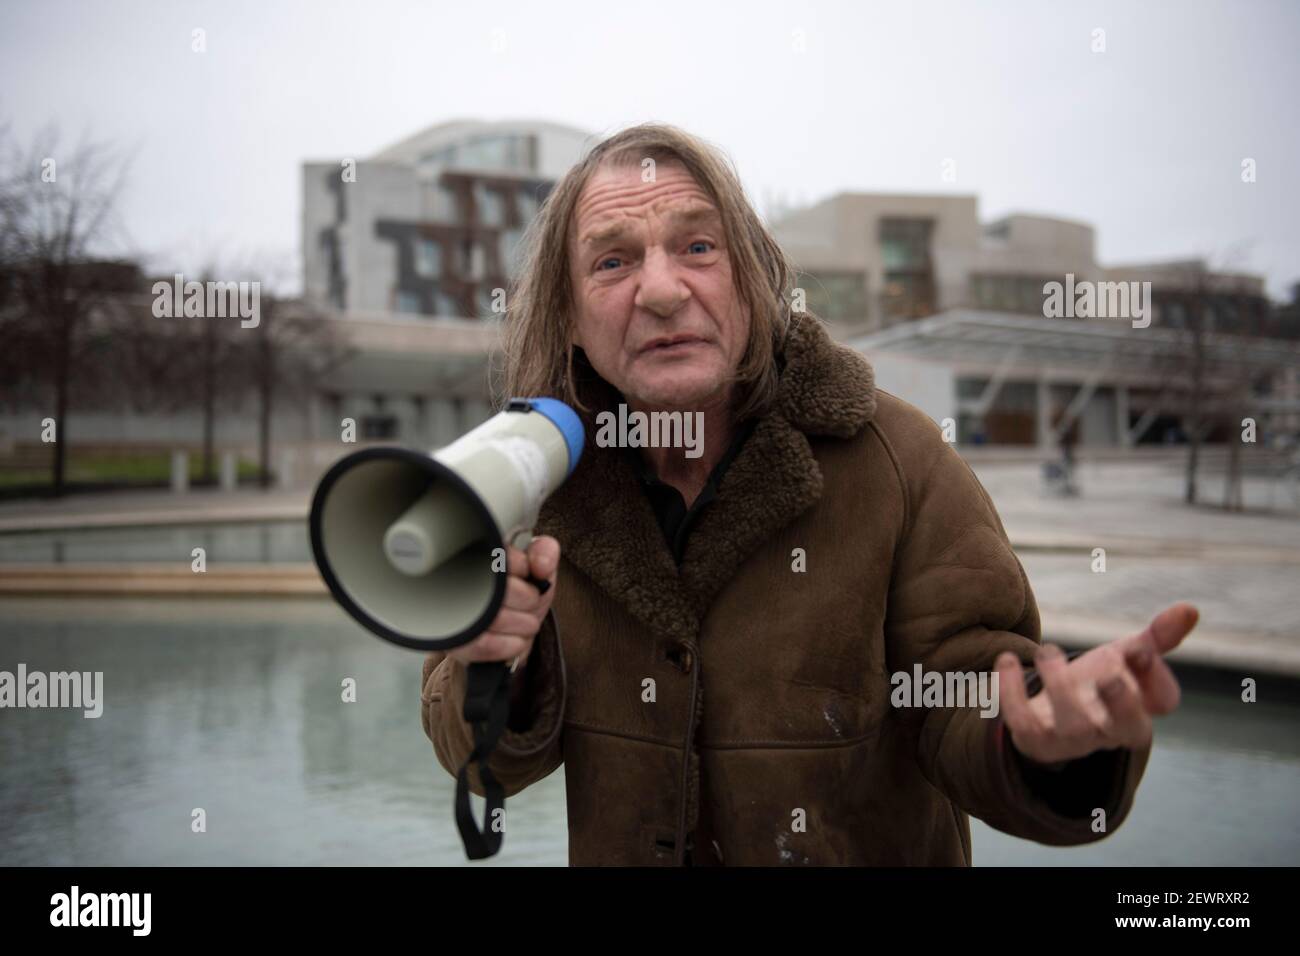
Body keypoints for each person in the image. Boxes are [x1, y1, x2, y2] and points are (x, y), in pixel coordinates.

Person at [420, 123, 1198, 866]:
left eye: (697, 247)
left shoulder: (899, 461)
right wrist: (495, 667)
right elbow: (480, 760)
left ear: (754, 282)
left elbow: (966, 688)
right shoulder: (536, 478)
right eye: (612, 263)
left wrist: (1046, 739)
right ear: (570, 319)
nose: (660, 292)